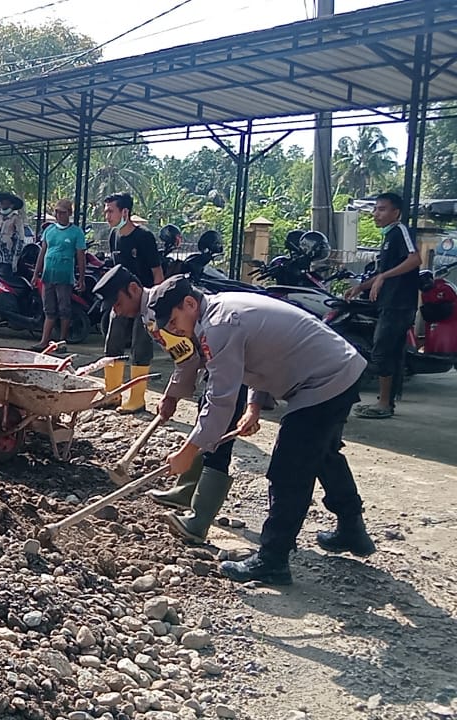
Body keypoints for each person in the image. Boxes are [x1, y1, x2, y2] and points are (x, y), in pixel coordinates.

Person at [150, 276, 375, 585]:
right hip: (339, 369)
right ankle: (352, 529)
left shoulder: (219, 325)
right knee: (323, 453)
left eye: (174, 321)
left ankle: (273, 559)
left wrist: (188, 453)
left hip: (324, 379)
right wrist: (254, 407)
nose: (173, 330)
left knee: (290, 468)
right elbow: (263, 353)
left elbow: (219, 401)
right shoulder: (221, 312)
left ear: (189, 304)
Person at [93, 265, 241, 543]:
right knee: (205, 421)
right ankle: (186, 491)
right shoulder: (151, 314)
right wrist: (172, 395)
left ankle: (199, 519)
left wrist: (172, 395)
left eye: (118, 302)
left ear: (134, 290)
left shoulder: (158, 310)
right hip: (218, 362)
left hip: (232, 361)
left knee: (218, 434)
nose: (117, 311)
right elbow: (185, 356)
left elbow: (189, 359)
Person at [347, 191, 420, 420]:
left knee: (381, 352)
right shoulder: (389, 237)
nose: (376, 214)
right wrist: (361, 287)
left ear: (395, 212)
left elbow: (415, 259)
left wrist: (383, 277)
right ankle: (385, 402)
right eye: (375, 209)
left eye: (382, 209)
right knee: (388, 352)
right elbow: (382, 273)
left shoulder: (400, 231)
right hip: (390, 303)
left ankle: (384, 404)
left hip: (399, 304)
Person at [101, 192, 163, 414]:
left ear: (125, 212)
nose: (106, 215)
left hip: (144, 300)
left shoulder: (144, 237)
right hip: (121, 300)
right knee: (112, 343)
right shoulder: (113, 236)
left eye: (111, 211)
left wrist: (154, 306)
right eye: (106, 210)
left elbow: (157, 273)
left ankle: (137, 398)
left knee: (141, 347)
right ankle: (112, 393)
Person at [32, 198, 87, 352]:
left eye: (62, 212)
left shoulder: (76, 232)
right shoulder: (49, 231)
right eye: (57, 212)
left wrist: (81, 279)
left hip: (65, 277)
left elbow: (81, 257)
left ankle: (62, 342)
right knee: (49, 310)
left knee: (64, 309)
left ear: (69, 213)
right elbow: (42, 253)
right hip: (48, 276)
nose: (59, 215)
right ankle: (44, 341)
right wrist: (36, 274)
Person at [0, 191, 26, 278]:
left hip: (8, 260)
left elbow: (20, 240)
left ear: (11, 204)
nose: (1, 203)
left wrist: (15, 260)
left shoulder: (16, 219)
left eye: (4, 201)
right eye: (0, 201)